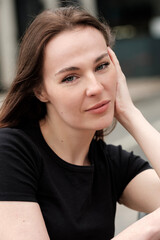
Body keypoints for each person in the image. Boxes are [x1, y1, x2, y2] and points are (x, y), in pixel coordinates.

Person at [0, 6, 160, 240]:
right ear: (40, 90)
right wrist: (146, 229)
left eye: (102, 66)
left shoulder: (111, 163)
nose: (95, 87)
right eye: (70, 77)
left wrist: (130, 113)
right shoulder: (11, 152)